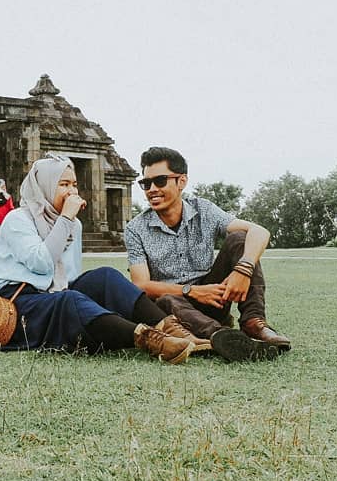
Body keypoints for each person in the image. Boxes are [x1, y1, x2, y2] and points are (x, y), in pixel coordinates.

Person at [0, 154, 209, 363]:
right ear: (45, 186)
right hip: (20, 302)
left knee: (105, 276)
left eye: (73, 184)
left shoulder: (72, 225)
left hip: (55, 295)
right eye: (63, 185)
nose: (71, 190)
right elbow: (42, 263)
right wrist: (65, 220)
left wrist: (68, 223)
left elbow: (70, 275)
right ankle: (151, 340)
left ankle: (172, 328)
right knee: (70, 300)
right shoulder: (18, 219)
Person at [125, 146, 292, 361]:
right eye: (146, 183)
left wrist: (243, 269)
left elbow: (259, 231)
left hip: (214, 297)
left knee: (240, 239)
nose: (151, 189)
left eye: (160, 181)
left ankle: (253, 323)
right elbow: (141, 286)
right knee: (165, 299)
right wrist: (191, 291)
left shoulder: (203, 209)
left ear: (181, 181)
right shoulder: (135, 229)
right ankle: (224, 337)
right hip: (176, 308)